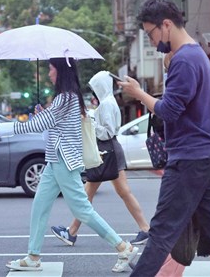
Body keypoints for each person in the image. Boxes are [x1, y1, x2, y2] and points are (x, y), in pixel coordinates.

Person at [118, 0, 210, 277]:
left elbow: (169, 111)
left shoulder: (185, 61)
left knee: (161, 234)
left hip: (189, 159)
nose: (152, 42)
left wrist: (139, 93)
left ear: (166, 25)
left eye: (150, 33)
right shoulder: (194, 55)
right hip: (203, 155)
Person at [0, 58, 138, 273]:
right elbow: (49, 125)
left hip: (64, 161)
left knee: (82, 210)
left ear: (60, 72)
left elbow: (37, 125)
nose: (49, 74)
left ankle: (123, 247)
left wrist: (2, 129)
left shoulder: (65, 99)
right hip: (55, 160)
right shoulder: (68, 99)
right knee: (40, 206)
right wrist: (45, 114)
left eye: (51, 70)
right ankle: (33, 256)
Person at [51, 70, 150, 246]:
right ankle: (145, 229)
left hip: (106, 150)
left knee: (92, 193)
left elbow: (107, 132)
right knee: (107, 192)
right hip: (110, 150)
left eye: (96, 87)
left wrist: (90, 122)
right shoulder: (108, 102)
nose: (94, 91)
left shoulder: (106, 104)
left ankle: (72, 232)